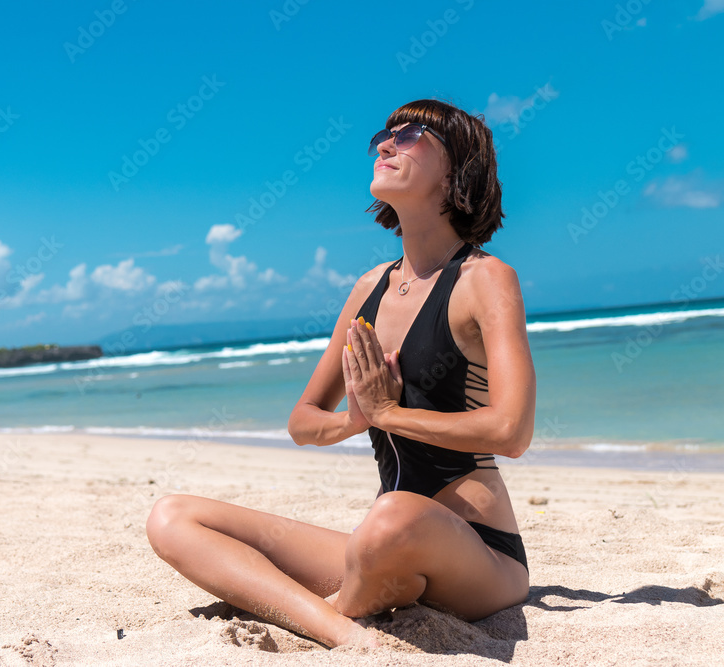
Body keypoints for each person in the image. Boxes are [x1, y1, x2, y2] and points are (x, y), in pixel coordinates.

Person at [145, 98, 536, 649]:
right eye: (385, 133)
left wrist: (391, 415)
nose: (385, 144)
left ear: (457, 167)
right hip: (381, 548)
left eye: (410, 135)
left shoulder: (485, 280)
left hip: (477, 553)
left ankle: (330, 610)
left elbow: (512, 432)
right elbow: (303, 422)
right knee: (172, 516)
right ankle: (336, 627)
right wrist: (357, 421)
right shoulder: (368, 288)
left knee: (392, 516)